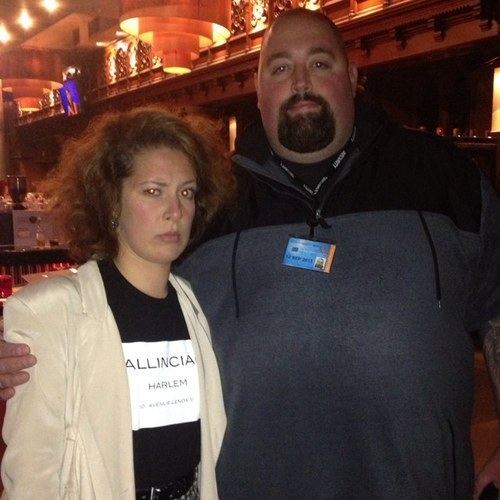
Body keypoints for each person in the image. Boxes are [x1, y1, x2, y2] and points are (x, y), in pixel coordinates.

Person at [0, 7, 499, 499]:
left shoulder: (445, 180)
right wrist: (34, 351)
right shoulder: (212, 201)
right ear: (258, 90)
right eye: (280, 68)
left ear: (351, 75)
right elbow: (122, 297)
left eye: (320, 63)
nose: (300, 82)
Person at [0, 107, 230, 499]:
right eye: (153, 191)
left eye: (186, 192)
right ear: (110, 204)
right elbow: (32, 476)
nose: (175, 211)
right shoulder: (54, 312)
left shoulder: (196, 304)